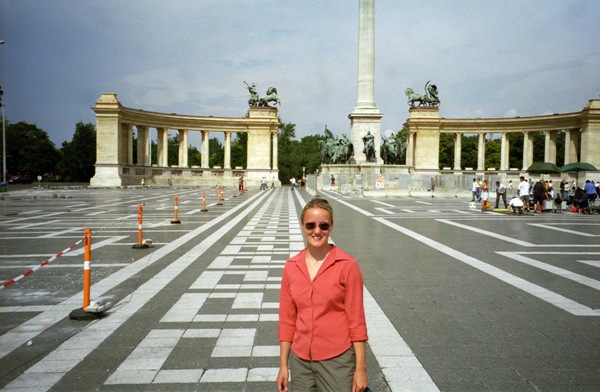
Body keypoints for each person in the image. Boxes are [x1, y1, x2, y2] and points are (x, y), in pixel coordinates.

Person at [277, 198, 369, 392]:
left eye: (323, 226)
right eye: (310, 225)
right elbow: (287, 321)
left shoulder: (347, 265)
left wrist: (361, 369)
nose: (317, 231)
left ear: (331, 227)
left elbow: (357, 322)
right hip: (300, 361)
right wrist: (283, 365)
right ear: (302, 225)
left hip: (337, 360)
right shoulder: (291, 267)